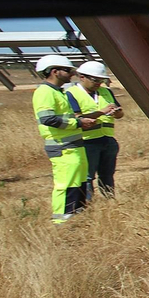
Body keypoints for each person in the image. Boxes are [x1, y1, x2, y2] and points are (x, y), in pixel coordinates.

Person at [32, 54, 98, 223]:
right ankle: (62, 220)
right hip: (62, 147)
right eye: (68, 71)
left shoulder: (59, 92)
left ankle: (76, 214)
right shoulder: (45, 92)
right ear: (55, 72)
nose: (71, 74)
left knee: (78, 181)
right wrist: (78, 122)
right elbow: (48, 119)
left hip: (74, 145)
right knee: (66, 183)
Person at [67, 60, 125, 199]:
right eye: (95, 80)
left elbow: (120, 114)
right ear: (82, 77)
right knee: (87, 177)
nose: (99, 83)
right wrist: (102, 112)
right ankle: (87, 204)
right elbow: (77, 117)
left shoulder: (106, 92)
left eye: (101, 80)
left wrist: (116, 112)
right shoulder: (71, 93)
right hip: (87, 142)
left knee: (107, 175)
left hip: (107, 140)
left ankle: (109, 200)